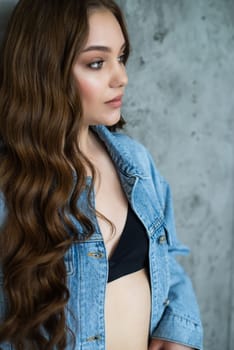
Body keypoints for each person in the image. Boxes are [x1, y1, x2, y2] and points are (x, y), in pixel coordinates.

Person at [0, 0, 203, 349]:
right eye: (96, 63)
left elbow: (167, 256)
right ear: (45, 70)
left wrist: (178, 332)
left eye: (121, 57)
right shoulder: (8, 185)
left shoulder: (135, 161)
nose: (121, 77)